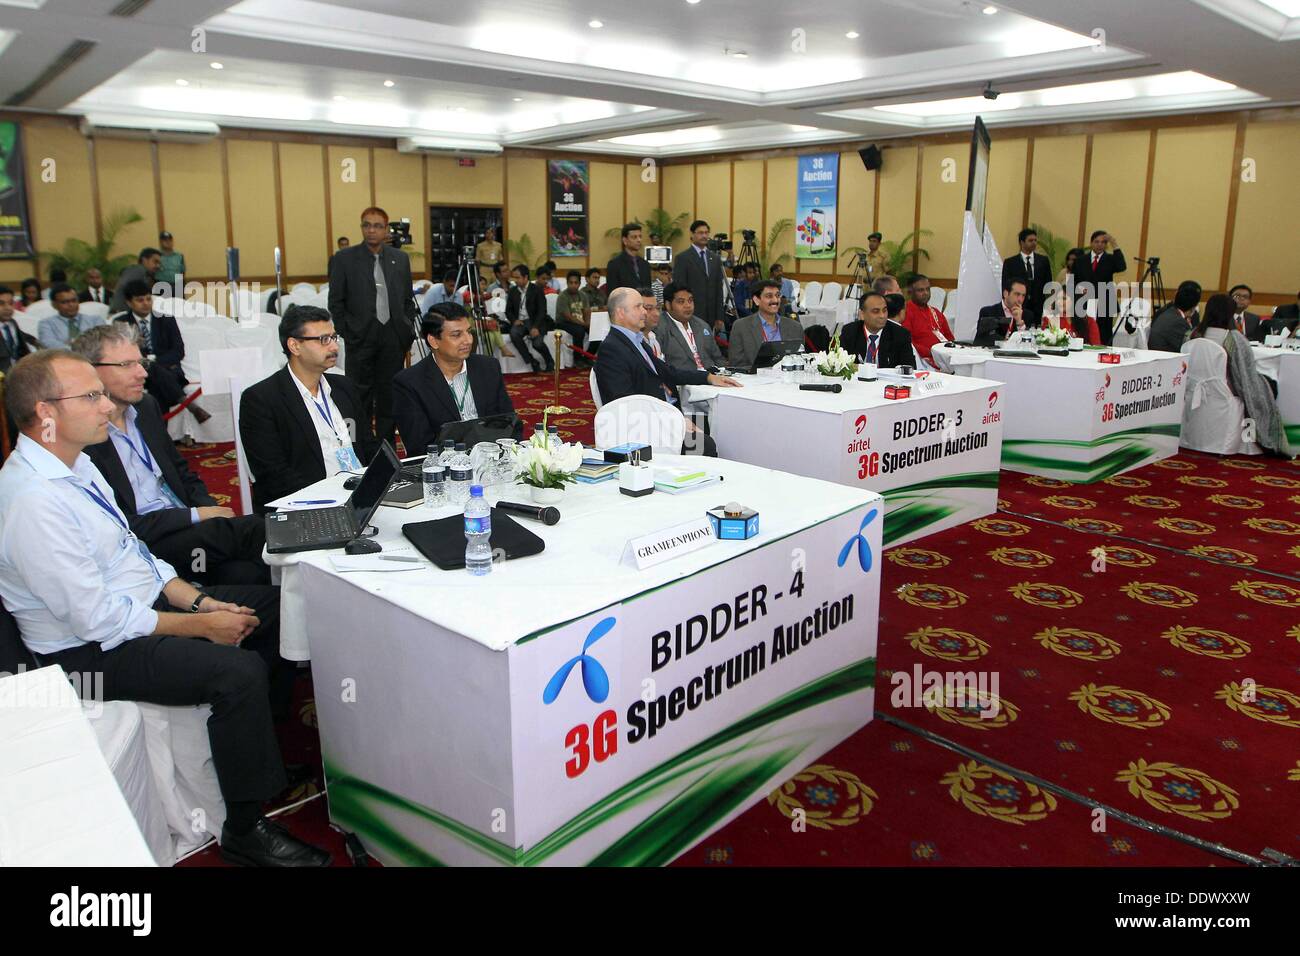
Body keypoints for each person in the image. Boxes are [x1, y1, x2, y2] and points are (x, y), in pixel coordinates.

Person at [0, 349, 330, 866]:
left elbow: (136, 555)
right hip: (89, 655)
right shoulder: (33, 501)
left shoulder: (76, 463)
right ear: (46, 413)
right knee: (237, 671)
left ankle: (256, 745)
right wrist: (201, 625)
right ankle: (244, 829)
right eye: (91, 396)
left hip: (134, 609)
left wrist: (199, 601)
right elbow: (96, 619)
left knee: (277, 605)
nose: (107, 407)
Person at [73, 326, 269, 587]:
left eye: (141, 362)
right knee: (256, 531)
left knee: (249, 575)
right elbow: (117, 525)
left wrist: (208, 508)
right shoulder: (82, 437)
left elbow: (181, 471)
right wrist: (199, 515)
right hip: (145, 541)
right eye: (126, 364)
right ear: (91, 370)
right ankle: (313, 529)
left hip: (190, 535)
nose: (142, 372)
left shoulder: (146, 407)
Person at [239, 306, 376, 513]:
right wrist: (332, 499)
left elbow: (366, 445)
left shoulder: (344, 387)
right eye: (323, 340)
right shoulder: (261, 399)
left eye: (334, 337)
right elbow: (273, 475)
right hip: (305, 507)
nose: (333, 347)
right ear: (294, 346)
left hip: (360, 497)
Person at [594, 288, 740, 456]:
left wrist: (709, 377)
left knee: (710, 422)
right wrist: (672, 421)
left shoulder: (635, 341)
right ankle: (695, 479)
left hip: (665, 414)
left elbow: (668, 372)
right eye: (638, 307)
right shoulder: (612, 350)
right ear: (620, 312)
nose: (644, 312)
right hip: (646, 428)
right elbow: (625, 403)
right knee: (705, 444)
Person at [327, 206, 418, 446]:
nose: (371, 230)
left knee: (389, 396)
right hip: (360, 338)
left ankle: (386, 445)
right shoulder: (344, 259)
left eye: (377, 226)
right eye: (367, 225)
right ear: (361, 227)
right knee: (359, 396)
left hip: (393, 337)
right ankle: (361, 446)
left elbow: (407, 299)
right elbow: (336, 301)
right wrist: (348, 332)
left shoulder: (400, 259)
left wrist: (406, 331)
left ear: (386, 229)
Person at [393, 303, 515, 456]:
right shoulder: (410, 383)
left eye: (469, 332)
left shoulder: (488, 368)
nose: (468, 340)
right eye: (457, 335)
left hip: (492, 461)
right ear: (433, 341)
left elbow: (509, 423)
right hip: (444, 469)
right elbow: (419, 446)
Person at [1187, 294, 1290, 457]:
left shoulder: (1193, 334)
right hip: (1225, 390)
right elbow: (1245, 376)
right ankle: (1259, 438)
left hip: (1194, 389)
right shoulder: (1235, 339)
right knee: (1268, 385)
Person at [109, 278, 211, 423]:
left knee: (157, 384)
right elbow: (121, 353)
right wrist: (145, 363)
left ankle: (158, 434)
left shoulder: (166, 320)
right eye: (140, 300)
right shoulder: (122, 323)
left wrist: (154, 361)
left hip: (169, 372)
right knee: (155, 376)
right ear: (129, 302)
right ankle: (188, 406)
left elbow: (178, 351)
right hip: (137, 371)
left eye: (148, 299)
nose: (145, 303)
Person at [728, 280, 804, 371]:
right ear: (757, 300)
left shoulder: (795, 327)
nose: (775, 300)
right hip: (755, 381)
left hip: (787, 380)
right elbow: (736, 364)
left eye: (777, 295)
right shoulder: (741, 327)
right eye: (769, 296)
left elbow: (801, 361)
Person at [1071, 230, 1126, 345]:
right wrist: (1080, 289)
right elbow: (1073, 281)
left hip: (1104, 302)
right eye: (1096, 241)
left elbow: (1122, 266)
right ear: (1091, 243)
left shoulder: (1110, 259)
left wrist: (1114, 244)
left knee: (1104, 334)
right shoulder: (1081, 260)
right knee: (1084, 331)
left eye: (1103, 242)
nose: (1100, 244)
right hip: (1084, 301)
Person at [672, 220, 725, 335]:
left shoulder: (715, 259)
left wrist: (719, 316)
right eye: (700, 233)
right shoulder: (683, 258)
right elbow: (679, 288)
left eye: (706, 233)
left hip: (711, 316)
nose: (704, 236)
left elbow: (718, 289)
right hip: (691, 313)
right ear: (692, 235)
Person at [658, 282, 725, 373]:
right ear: (668, 305)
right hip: (684, 382)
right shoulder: (659, 328)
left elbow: (718, 358)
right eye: (681, 302)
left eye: (690, 300)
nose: (688, 306)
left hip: (713, 378)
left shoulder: (702, 325)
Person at [842, 292, 914, 368]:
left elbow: (909, 368)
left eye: (884, 310)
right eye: (876, 311)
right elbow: (840, 364)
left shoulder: (900, 334)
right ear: (862, 314)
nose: (882, 316)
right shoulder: (850, 332)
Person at [504, 265, 553, 372]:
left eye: (517, 278)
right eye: (514, 278)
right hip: (520, 322)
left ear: (525, 277)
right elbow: (508, 311)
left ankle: (549, 361)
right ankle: (532, 361)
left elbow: (542, 311)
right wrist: (514, 320)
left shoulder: (536, 290)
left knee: (537, 343)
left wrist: (535, 327)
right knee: (514, 334)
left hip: (536, 321)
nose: (515, 280)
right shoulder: (513, 291)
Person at [902, 274, 953, 367]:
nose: (925, 293)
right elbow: (907, 342)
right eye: (920, 290)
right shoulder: (905, 312)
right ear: (910, 292)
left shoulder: (936, 312)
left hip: (944, 358)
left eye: (927, 289)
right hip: (922, 361)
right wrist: (932, 352)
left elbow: (950, 338)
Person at [38, 283, 106, 350]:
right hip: (63, 358)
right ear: (54, 305)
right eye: (65, 302)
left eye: (74, 300)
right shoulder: (47, 324)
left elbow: (102, 341)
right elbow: (48, 344)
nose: (71, 305)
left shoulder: (95, 320)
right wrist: (75, 350)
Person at [1002, 228, 1051, 319]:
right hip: (1019, 305)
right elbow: (1006, 284)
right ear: (1022, 242)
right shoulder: (1010, 262)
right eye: (1030, 240)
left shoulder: (1043, 261)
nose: (1034, 243)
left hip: (1039, 306)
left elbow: (1048, 283)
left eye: (1035, 240)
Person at [975, 278, 1033, 346]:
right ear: (1005, 293)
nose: (1020, 299)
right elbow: (985, 338)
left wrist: (1019, 322)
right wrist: (1007, 343)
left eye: (1023, 295)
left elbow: (1029, 343)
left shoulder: (1027, 315)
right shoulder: (988, 312)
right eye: (1017, 294)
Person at [1148, 281, 1202, 353]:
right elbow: (1191, 349)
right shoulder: (1178, 322)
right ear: (1193, 307)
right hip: (1164, 360)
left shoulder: (1170, 311)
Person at [110, 248, 161, 314]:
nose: (158, 266)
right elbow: (125, 287)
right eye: (155, 262)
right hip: (122, 313)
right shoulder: (138, 270)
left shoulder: (144, 274)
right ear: (144, 260)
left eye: (159, 263)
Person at [554, 270, 590, 362]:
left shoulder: (583, 295)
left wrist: (588, 323)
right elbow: (568, 317)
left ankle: (588, 357)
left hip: (580, 322)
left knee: (596, 331)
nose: (573, 285)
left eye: (576, 283)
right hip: (563, 322)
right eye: (571, 283)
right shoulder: (563, 296)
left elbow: (586, 311)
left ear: (579, 283)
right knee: (579, 331)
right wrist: (584, 324)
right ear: (567, 283)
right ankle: (577, 359)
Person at [606, 222, 651, 292]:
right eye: (634, 237)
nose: (639, 240)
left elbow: (648, 291)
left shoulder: (645, 264)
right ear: (625, 240)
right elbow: (612, 293)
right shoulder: (615, 264)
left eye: (640, 236)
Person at [0, 286, 36, 373]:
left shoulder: (12, 323)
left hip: (18, 373)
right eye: (1, 304)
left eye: (11, 303)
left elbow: (23, 338)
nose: (8, 308)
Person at [156, 231, 185, 297]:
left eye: (170, 240)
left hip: (177, 285)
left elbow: (182, 272)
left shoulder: (179, 256)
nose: (168, 242)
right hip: (161, 286)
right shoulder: (156, 256)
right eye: (165, 240)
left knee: (179, 306)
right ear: (160, 242)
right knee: (162, 306)